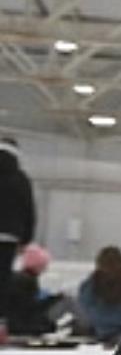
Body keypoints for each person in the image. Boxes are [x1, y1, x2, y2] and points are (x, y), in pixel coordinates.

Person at [2, 243, 59, 337]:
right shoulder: (29, 281)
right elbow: (31, 307)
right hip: (22, 324)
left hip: (12, 322)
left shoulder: (15, 277)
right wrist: (53, 299)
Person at [0, 137, 35, 282]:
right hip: (10, 235)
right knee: (3, 278)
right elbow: (29, 210)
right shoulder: (21, 179)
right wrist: (26, 239)